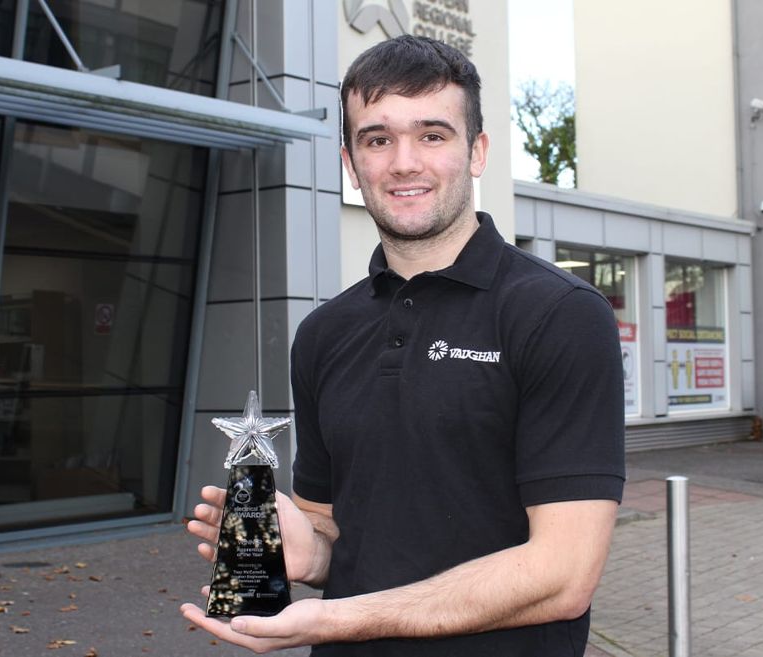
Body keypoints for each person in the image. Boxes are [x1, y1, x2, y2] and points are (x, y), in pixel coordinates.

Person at [182, 34, 625, 656]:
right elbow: (338, 530)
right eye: (377, 138)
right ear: (350, 161)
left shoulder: (558, 315)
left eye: (433, 135)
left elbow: (563, 576)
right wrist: (311, 554)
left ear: (477, 152)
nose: (403, 162)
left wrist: (333, 620)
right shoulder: (324, 334)